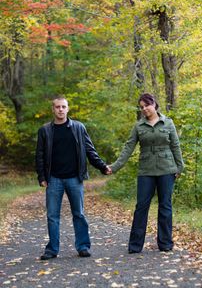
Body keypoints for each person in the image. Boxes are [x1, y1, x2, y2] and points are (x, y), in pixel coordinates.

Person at [35, 96, 112, 260]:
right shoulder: (45, 130)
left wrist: (102, 166)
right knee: (52, 216)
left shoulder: (78, 127)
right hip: (53, 179)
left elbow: (90, 151)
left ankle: (83, 247)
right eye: (57, 107)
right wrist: (42, 176)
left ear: (68, 109)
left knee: (79, 214)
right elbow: (39, 156)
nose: (60, 109)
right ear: (53, 109)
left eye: (63, 107)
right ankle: (52, 249)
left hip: (75, 179)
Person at [110, 93, 184, 253]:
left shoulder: (168, 123)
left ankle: (165, 244)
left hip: (167, 169)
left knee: (165, 206)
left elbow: (176, 146)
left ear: (154, 104)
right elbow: (128, 148)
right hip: (146, 170)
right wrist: (114, 167)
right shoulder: (138, 126)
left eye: (147, 106)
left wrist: (180, 167)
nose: (144, 109)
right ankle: (135, 246)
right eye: (141, 107)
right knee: (141, 207)